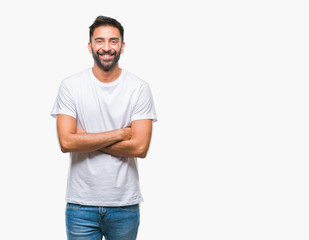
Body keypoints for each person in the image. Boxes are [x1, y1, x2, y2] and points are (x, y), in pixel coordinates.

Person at [51, 15, 157, 240]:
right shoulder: (71, 86)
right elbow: (67, 142)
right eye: (99, 41)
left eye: (113, 41)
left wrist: (85, 139)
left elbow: (140, 148)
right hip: (81, 205)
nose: (106, 47)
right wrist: (120, 134)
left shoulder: (138, 88)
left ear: (122, 46)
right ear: (90, 46)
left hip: (124, 205)